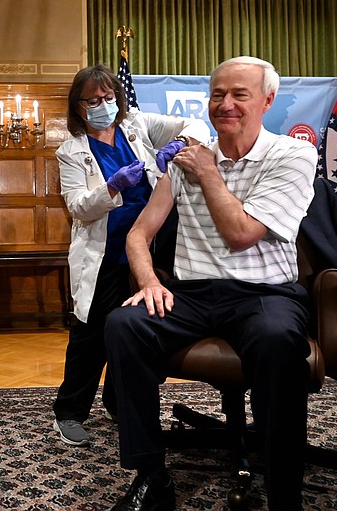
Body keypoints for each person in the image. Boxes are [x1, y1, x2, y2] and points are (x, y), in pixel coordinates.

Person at [104, 56, 318, 511]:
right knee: (124, 324)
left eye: (240, 94)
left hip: (265, 294)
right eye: (218, 93)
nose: (226, 104)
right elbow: (139, 234)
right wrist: (147, 281)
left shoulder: (292, 155)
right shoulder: (184, 161)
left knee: (278, 338)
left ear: (267, 100)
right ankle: (151, 475)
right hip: (194, 293)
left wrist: (208, 172)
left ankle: (284, 491)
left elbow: (240, 234)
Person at [52, 64, 209, 446]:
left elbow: (198, 126)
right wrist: (112, 187)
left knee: (135, 329)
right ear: (78, 106)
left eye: (108, 98)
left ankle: (119, 402)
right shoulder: (70, 151)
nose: (103, 105)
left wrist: (179, 143)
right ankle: (69, 412)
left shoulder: (137, 125)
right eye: (93, 100)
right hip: (104, 253)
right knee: (91, 336)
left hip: (150, 248)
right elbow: (78, 207)